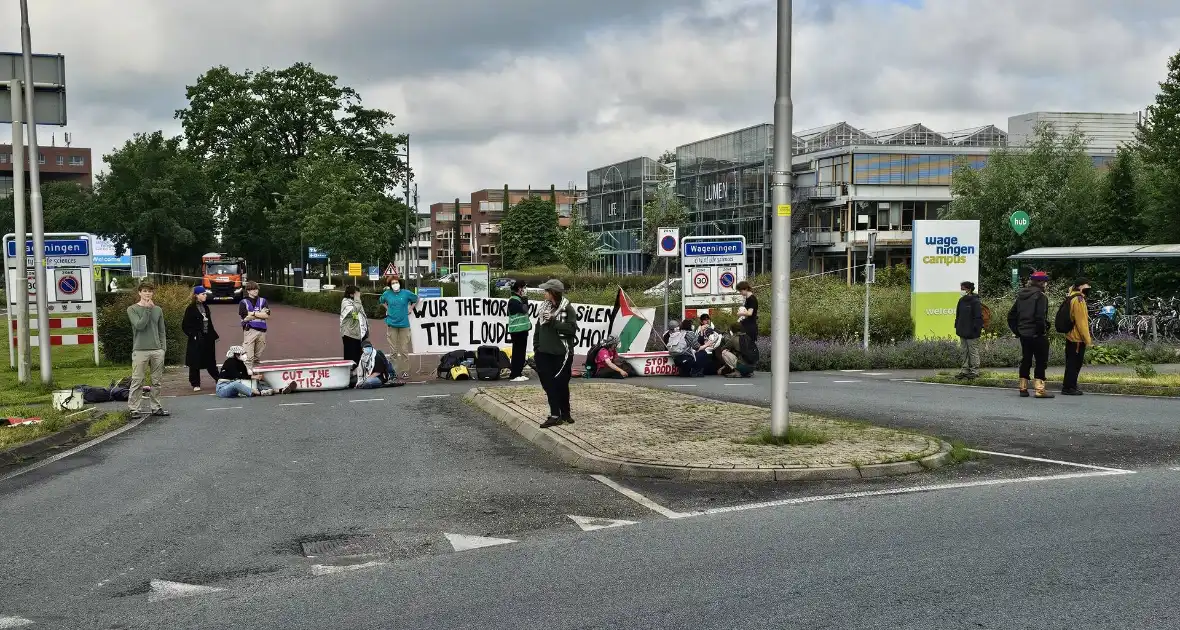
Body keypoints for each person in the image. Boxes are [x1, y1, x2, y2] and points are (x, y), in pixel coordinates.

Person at [533, 279, 579, 428]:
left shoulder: (567, 309)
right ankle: (555, 414)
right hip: (543, 353)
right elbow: (538, 328)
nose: (544, 294)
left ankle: (564, 413)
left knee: (560, 384)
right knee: (548, 384)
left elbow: (571, 330)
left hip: (562, 353)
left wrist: (554, 321)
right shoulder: (543, 307)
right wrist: (536, 346)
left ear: (553, 292)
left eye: (546, 291)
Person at [1008, 271, 1054, 399]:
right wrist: (1041, 331)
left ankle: (1023, 388)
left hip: (1024, 334)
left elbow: (1011, 316)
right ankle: (1040, 389)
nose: (1046, 284)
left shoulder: (1021, 296)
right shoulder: (1040, 296)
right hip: (1037, 334)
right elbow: (1039, 317)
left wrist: (1017, 331)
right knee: (1041, 361)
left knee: (1026, 359)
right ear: (1041, 282)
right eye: (1045, 282)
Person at [127, 282, 169, 418]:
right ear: (139, 293)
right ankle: (134, 409)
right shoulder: (132, 309)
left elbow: (162, 331)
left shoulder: (158, 310)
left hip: (157, 350)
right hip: (140, 350)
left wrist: (163, 348)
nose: (147, 294)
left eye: (150, 291)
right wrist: (147, 310)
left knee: (156, 381)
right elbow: (139, 326)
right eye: (145, 291)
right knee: (137, 380)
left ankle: (156, 407)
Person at [216, 345, 298, 398]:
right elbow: (237, 375)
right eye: (241, 354)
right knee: (236, 384)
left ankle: (279, 390)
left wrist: (255, 377)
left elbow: (244, 375)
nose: (244, 355)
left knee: (255, 381)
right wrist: (252, 376)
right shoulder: (229, 362)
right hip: (222, 389)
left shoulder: (240, 363)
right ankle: (258, 393)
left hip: (233, 388)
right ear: (235, 355)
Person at [379, 276, 418, 384]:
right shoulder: (387, 294)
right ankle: (393, 371)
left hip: (404, 325)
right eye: (392, 283)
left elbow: (416, 298)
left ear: (399, 283)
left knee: (404, 349)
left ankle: (405, 371)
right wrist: (387, 308)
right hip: (391, 324)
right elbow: (381, 301)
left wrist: (410, 308)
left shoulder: (406, 293)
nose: (395, 284)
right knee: (393, 351)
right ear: (390, 285)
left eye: (396, 282)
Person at [182, 286, 220, 392]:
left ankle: (219, 379)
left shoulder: (206, 307)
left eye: (205, 294)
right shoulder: (190, 308)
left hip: (207, 338)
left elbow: (209, 322)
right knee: (195, 361)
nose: (205, 296)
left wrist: (214, 335)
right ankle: (195, 383)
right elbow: (185, 325)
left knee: (211, 360)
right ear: (196, 295)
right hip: (196, 338)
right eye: (203, 294)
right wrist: (193, 335)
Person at [1062, 278, 1094, 396]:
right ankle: (1070, 387)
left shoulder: (1071, 296)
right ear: (1080, 287)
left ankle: (1069, 385)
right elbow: (1082, 323)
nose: (1088, 289)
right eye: (1087, 287)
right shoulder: (1079, 300)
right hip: (1077, 338)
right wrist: (1088, 340)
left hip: (1071, 335)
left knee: (1071, 361)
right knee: (1075, 363)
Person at [954, 281, 984, 380]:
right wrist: (957, 327)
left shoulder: (975, 302)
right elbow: (958, 315)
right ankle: (964, 370)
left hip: (972, 332)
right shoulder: (961, 301)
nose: (961, 291)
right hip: (962, 331)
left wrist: (976, 330)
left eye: (963, 289)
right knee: (964, 351)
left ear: (969, 289)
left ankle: (974, 371)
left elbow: (978, 317)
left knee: (973, 352)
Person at [238, 282, 270, 371]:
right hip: (250, 330)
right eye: (253, 289)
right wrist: (260, 314)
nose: (256, 291)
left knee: (257, 356)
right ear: (248, 291)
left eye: (257, 289)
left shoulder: (263, 301)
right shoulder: (243, 302)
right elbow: (245, 317)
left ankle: (255, 373)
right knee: (248, 356)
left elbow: (267, 315)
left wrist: (253, 313)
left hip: (262, 331)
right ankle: (246, 375)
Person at [507, 280, 532, 382]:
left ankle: (518, 372)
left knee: (521, 353)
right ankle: (515, 374)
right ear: (519, 288)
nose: (525, 290)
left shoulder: (517, 299)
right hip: (518, 331)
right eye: (523, 287)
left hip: (521, 330)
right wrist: (525, 298)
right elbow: (525, 309)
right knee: (518, 353)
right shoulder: (514, 301)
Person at [340, 285, 369, 368]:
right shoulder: (345, 302)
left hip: (358, 333)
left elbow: (362, 315)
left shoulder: (356, 302)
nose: (359, 294)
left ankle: (357, 374)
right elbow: (354, 311)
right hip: (349, 333)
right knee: (350, 356)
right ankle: (349, 374)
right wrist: (357, 299)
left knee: (358, 356)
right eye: (357, 293)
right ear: (351, 294)